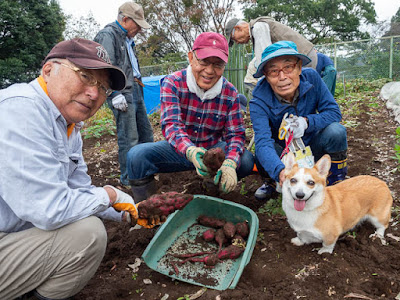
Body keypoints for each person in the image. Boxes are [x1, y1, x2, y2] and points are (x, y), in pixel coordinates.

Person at [0, 38, 161, 300]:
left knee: (88, 217)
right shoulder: (21, 110)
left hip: (14, 232)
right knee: (87, 235)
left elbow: (79, 189)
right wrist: (110, 195)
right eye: (85, 76)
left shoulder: (68, 125)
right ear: (49, 70)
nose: (94, 94)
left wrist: (123, 211)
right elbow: (49, 209)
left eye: (103, 87)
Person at [126, 32, 255, 200]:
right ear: (191, 58)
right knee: (136, 156)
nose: (209, 71)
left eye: (217, 65)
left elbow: (235, 135)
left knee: (245, 160)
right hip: (179, 150)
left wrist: (230, 163)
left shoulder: (230, 92)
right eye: (204, 62)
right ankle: (148, 208)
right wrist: (190, 151)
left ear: (224, 66)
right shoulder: (173, 83)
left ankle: (214, 187)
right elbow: (171, 124)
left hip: (212, 150)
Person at [249, 41, 348, 200]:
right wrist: (281, 170)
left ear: (299, 67)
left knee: (336, 131)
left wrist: (307, 122)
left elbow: (333, 112)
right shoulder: (258, 101)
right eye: (273, 71)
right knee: (262, 151)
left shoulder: (312, 79)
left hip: (311, 146)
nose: (282, 77)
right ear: (266, 76)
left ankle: (335, 181)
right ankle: (272, 182)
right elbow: (263, 142)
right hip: (284, 154)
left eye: (288, 67)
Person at [94, 1, 154, 186]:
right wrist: (112, 94)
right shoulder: (108, 35)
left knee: (146, 135)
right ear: (125, 19)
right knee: (129, 138)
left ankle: (147, 172)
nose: (139, 29)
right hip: (122, 92)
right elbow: (103, 68)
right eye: (137, 24)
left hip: (136, 88)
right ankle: (130, 180)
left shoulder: (128, 39)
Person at [225, 17, 317, 69]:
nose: (237, 42)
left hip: (304, 56)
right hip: (304, 55)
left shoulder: (258, 28)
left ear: (238, 28)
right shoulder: (257, 27)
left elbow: (265, 59)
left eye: (234, 39)